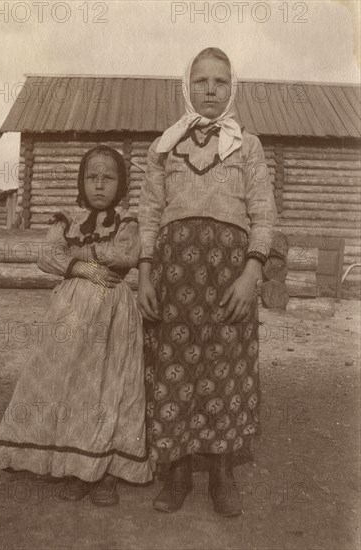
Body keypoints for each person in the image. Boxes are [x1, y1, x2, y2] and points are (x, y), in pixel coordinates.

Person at [138, 47, 276, 516]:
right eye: (201, 81)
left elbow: (262, 214)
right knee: (173, 371)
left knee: (226, 372)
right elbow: (149, 214)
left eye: (220, 81)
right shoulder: (165, 145)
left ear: (232, 87)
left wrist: (251, 273)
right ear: (187, 86)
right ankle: (176, 474)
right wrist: (144, 275)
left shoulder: (248, 146)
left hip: (229, 278)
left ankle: (221, 473)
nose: (211, 89)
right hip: (173, 278)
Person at [0, 145, 152, 506]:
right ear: (81, 181)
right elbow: (46, 254)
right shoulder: (67, 219)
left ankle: (106, 469)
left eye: (108, 178)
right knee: (70, 382)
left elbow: (124, 254)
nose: (99, 185)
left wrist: (80, 254)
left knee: (109, 386)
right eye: (91, 177)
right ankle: (75, 465)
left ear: (121, 184)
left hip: (112, 314)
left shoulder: (126, 222)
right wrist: (79, 268)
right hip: (70, 314)